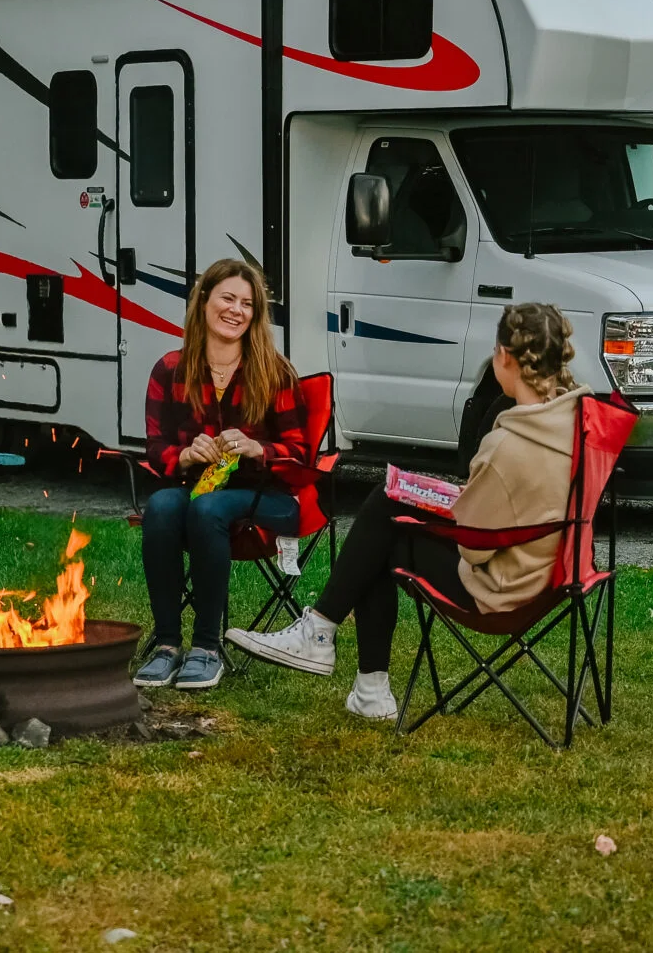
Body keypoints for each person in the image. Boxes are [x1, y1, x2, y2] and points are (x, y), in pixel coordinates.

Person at [226, 303, 588, 719]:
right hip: (556, 573)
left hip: (505, 587)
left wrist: (451, 504)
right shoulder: (574, 423)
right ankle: (354, 674)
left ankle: (329, 641)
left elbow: (475, 550)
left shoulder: (506, 445)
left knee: (384, 522)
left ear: (505, 357)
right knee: (390, 513)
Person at [133, 259, 309, 691]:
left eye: (247, 304)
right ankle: (168, 646)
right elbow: (155, 451)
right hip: (197, 488)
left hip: (268, 498)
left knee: (207, 507)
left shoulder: (275, 371)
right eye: (227, 298)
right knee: (160, 505)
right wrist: (187, 455)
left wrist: (257, 448)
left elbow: (301, 456)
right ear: (204, 301)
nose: (237, 310)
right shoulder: (169, 369)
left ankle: (207, 648)